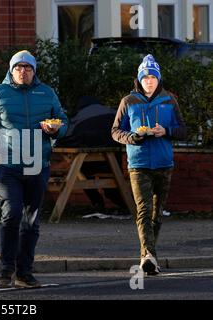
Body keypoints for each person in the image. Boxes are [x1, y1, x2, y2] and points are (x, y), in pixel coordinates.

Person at [0, 50, 68, 288]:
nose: (23, 72)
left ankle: (24, 273)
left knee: (31, 221)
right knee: (12, 213)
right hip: (8, 166)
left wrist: (57, 130)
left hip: (38, 166)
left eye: (28, 68)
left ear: (34, 72)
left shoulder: (46, 93)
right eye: (19, 68)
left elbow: (63, 121)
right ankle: (6, 270)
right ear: (11, 71)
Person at [112, 54, 186, 275]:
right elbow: (116, 132)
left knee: (157, 213)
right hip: (138, 163)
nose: (149, 81)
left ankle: (148, 253)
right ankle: (149, 256)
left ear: (158, 79)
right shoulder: (129, 101)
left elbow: (183, 129)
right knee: (143, 210)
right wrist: (133, 137)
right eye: (145, 77)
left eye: (153, 77)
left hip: (164, 163)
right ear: (139, 80)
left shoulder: (169, 100)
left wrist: (167, 131)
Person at [56, 96, 127, 213]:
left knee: (79, 173)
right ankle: (122, 203)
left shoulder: (77, 119)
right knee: (113, 181)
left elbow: (66, 138)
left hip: (88, 164)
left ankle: (97, 201)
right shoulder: (112, 113)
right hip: (112, 162)